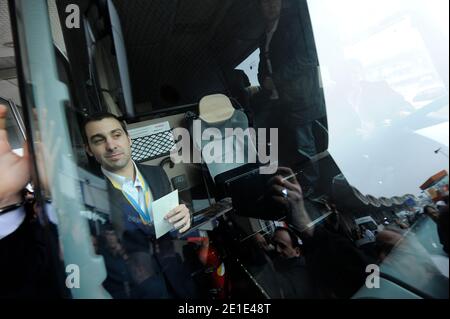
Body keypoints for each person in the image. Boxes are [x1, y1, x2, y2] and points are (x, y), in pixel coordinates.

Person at [82, 112, 193, 298]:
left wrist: (185, 212)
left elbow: (172, 213)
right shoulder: (89, 196)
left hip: (178, 280)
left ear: (129, 139)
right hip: (138, 291)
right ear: (89, 150)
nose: (111, 145)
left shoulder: (157, 173)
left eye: (116, 135)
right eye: (99, 140)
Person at [256, 0, 327, 195]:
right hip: (279, 101)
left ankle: (310, 190)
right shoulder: (264, 36)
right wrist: (263, 80)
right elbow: (263, 65)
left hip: (300, 100)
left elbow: (310, 57)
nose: (271, 5)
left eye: (274, 2)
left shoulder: (293, 27)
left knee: (304, 147)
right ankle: (280, 183)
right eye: (265, 3)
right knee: (271, 140)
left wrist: (276, 80)